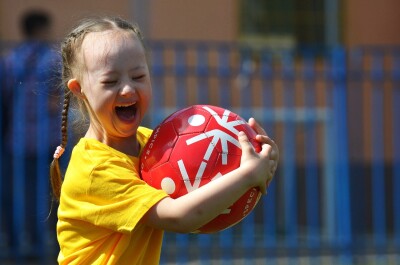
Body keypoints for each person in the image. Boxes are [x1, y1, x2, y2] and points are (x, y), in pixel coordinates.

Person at [49, 16, 279, 265]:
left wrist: (260, 160)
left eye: (138, 76)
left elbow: (214, 181)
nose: (127, 89)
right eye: (110, 82)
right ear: (79, 89)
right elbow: (179, 217)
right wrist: (247, 175)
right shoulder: (95, 171)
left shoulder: (153, 144)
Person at [2, 9, 60, 250]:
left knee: (20, 194)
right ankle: (50, 244)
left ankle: (20, 244)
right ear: (41, 29)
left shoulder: (10, 60)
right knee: (53, 193)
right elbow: (58, 97)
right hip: (49, 138)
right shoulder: (53, 59)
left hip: (18, 138)